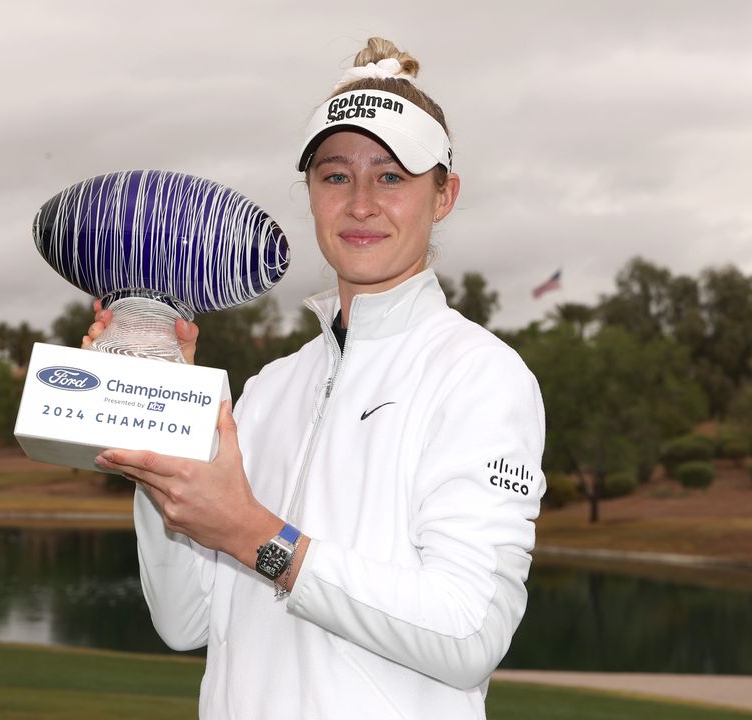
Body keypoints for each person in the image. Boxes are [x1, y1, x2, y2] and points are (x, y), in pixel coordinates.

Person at [88, 37, 546, 720]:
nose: (361, 203)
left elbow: (468, 631)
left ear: (444, 194)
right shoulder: (270, 387)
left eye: (391, 176)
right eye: (335, 176)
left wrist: (255, 534)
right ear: (309, 192)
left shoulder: (481, 377)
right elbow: (183, 623)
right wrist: (165, 426)